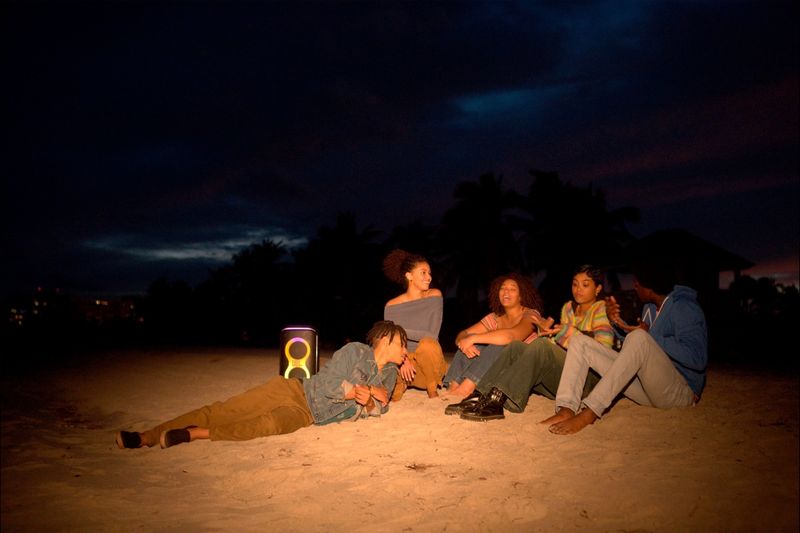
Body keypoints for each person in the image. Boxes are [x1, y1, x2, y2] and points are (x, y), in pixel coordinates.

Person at [115, 321, 408, 449]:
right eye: (402, 344)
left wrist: (370, 400)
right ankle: (144, 437)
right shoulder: (355, 351)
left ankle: (195, 434)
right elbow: (330, 380)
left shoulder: (390, 373)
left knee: (265, 426)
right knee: (226, 410)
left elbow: (379, 409)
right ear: (385, 340)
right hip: (295, 390)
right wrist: (363, 391)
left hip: (308, 415)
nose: (405, 351)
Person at [544, 261, 708, 435]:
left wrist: (649, 334)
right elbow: (636, 350)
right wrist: (616, 322)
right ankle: (566, 408)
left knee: (639, 337)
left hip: (678, 394)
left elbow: (697, 358)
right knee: (579, 341)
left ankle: (590, 412)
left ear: (650, 285)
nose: (634, 286)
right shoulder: (650, 307)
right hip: (647, 390)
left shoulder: (685, 307)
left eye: (637, 282)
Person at [454, 265, 614, 421]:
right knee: (516, 346)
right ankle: (481, 394)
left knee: (540, 345)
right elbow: (564, 345)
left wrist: (567, 333)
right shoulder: (568, 308)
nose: (578, 289)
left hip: (588, 381)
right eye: (575, 284)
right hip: (566, 377)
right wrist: (550, 334)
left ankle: (498, 400)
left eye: (585, 285)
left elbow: (602, 351)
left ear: (598, 288)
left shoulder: (601, 309)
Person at [443, 273, 547, 400]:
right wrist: (465, 342)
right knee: (469, 342)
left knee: (498, 344)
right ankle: (453, 385)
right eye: (503, 288)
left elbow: (510, 337)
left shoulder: (531, 315)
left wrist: (472, 338)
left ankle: (467, 388)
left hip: (523, 370)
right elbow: (463, 334)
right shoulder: (495, 317)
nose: (506, 292)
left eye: (512, 289)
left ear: (521, 296)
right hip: (500, 371)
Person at [382, 249, 447, 399]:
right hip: (402, 366)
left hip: (428, 367)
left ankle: (431, 388)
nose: (429, 277)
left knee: (428, 344)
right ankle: (400, 383)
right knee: (384, 349)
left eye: (429, 273)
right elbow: (391, 340)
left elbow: (432, 335)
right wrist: (403, 360)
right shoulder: (391, 305)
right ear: (409, 276)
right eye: (423, 272)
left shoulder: (434, 295)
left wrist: (398, 330)